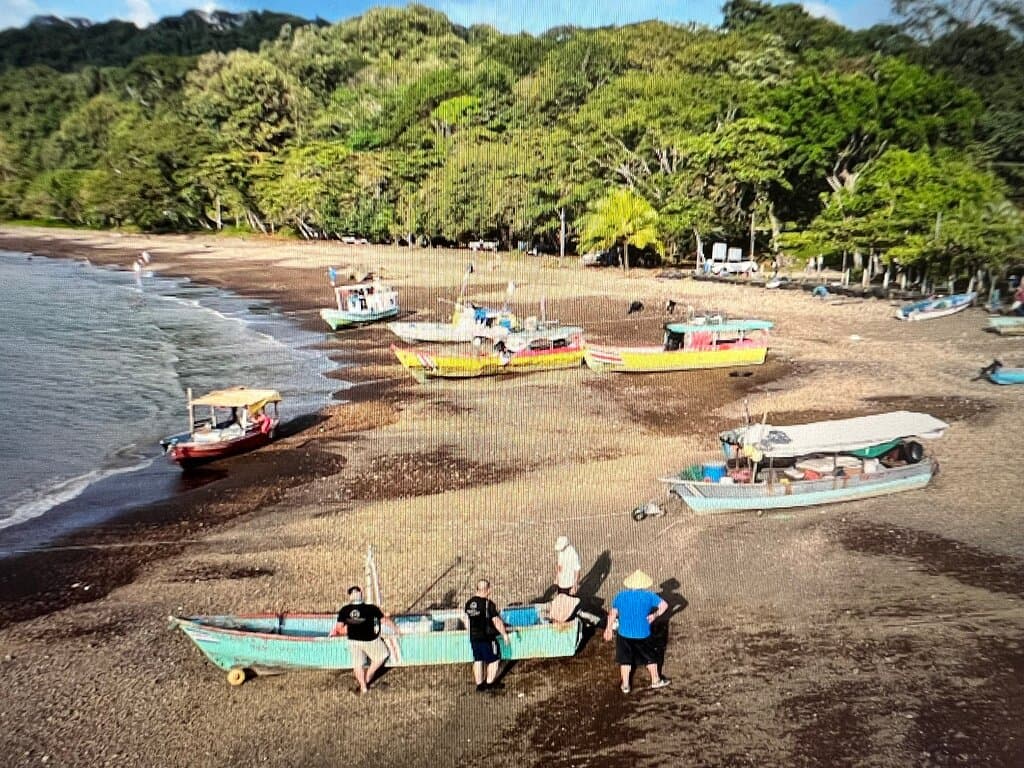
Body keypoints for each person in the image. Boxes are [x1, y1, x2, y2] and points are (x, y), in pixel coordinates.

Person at [603, 570, 670, 694]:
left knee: (625, 660)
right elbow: (664, 605)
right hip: (643, 633)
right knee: (650, 658)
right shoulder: (649, 596)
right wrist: (654, 615)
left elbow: (612, 613)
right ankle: (656, 680)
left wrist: (608, 629)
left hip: (624, 633)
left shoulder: (621, 596)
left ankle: (625, 685)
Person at [329, 586, 398, 694]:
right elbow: (385, 621)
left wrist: (352, 628)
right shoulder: (371, 608)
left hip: (353, 640)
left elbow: (339, 629)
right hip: (369, 639)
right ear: (361, 594)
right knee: (382, 655)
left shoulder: (345, 610)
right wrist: (396, 629)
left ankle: (363, 686)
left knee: (358, 664)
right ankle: (368, 677)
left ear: (350, 596)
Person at [465, 579, 512, 692]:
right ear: (487, 590)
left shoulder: (469, 603)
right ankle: (490, 683)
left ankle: (479, 685)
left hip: (474, 637)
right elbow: (496, 621)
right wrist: (504, 634)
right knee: (494, 660)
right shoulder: (488, 604)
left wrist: (470, 632)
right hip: (487, 637)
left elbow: (467, 620)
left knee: (478, 659)